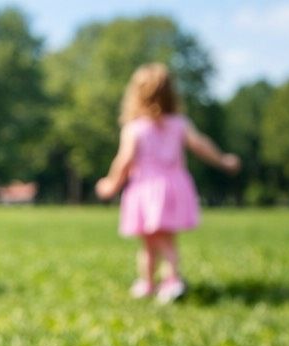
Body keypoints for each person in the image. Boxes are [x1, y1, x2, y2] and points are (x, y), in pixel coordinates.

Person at [95, 63, 240, 303]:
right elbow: (200, 145)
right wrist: (223, 160)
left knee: (152, 242)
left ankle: (167, 282)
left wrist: (110, 184)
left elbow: (124, 161)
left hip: (146, 189)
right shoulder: (179, 123)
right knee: (164, 239)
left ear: (135, 95)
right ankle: (152, 283)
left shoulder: (135, 128)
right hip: (174, 187)